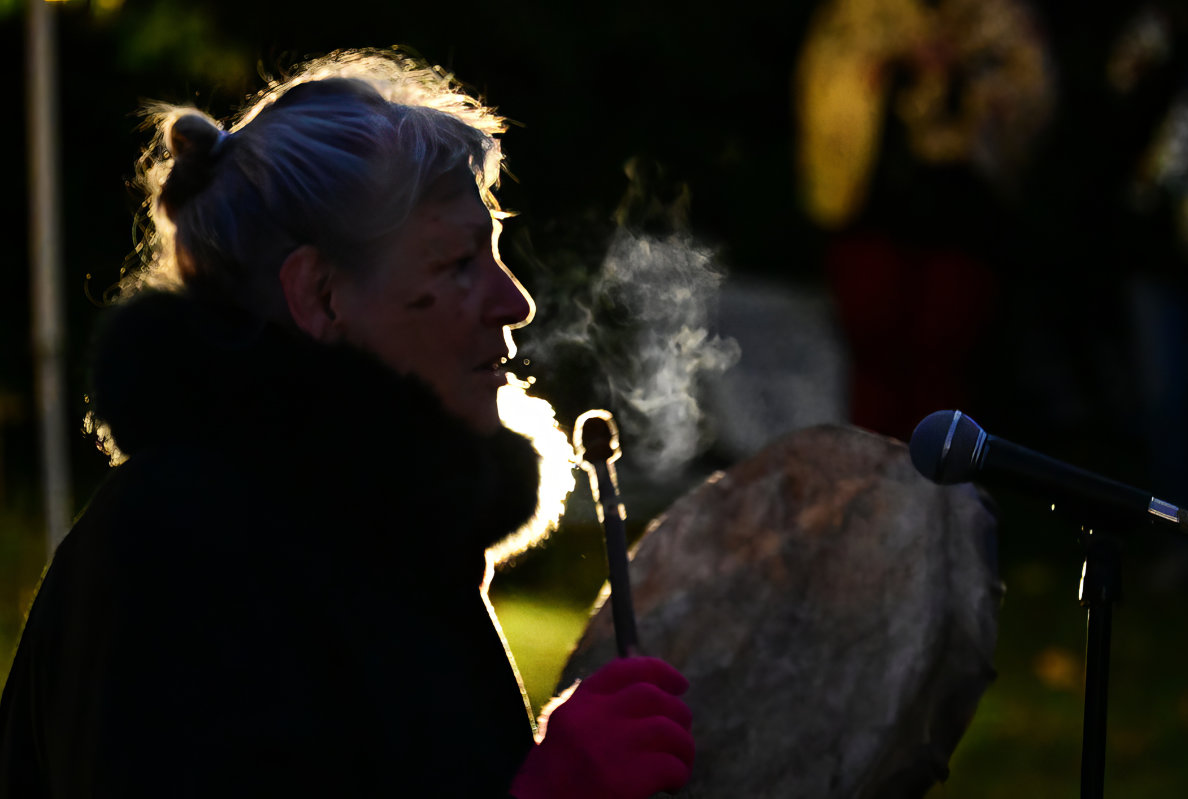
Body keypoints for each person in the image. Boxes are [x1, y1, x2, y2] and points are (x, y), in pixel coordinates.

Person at [0, 50, 694, 797]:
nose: (514, 300)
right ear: (322, 295)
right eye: (458, 262)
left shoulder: (376, 534)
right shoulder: (176, 547)